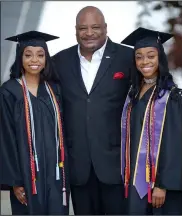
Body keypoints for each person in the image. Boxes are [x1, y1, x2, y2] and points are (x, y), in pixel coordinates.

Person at [52, 6, 133, 215]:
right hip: (78, 165)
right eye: (83, 28)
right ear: (75, 30)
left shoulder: (128, 57)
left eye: (95, 27)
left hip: (116, 165)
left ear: (106, 28)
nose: (89, 33)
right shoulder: (59, 61)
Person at [0, 31, 69, 215]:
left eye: (40, 54)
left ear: (46, 58)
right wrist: (15, 181)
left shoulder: (54, 90)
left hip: (56, 174)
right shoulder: (9, 91)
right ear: (20, 57)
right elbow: (5, 138)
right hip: (26, 173)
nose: (34, 60)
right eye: (28, 54)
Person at [120, 27, 182, 215]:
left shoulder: (170, 97)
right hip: (134, 182)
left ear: (160, 59)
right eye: (139, 57)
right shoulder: (131, 96)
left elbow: (175, 144)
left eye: (150, 56)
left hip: (159, 187)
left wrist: (162, 185)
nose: (145, 61)